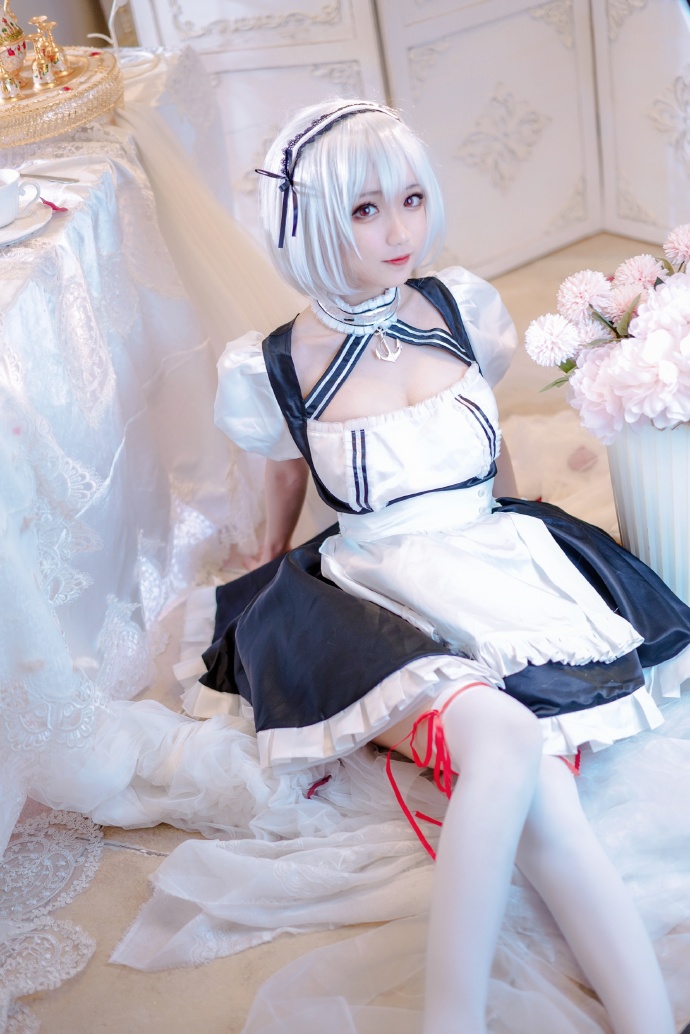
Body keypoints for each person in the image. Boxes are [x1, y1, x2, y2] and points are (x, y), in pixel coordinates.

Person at [201, 99, 690, 1033]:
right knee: (504, 740)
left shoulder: (461, 305)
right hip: (376, 586)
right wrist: (267, 563)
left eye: (412, 199)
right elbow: (284, 470)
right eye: (365, 209)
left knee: (543, 790)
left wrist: (529, 538)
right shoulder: (270, 366)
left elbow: (492, 453)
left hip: (490, 556)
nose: (400, 231)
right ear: (309, 222)